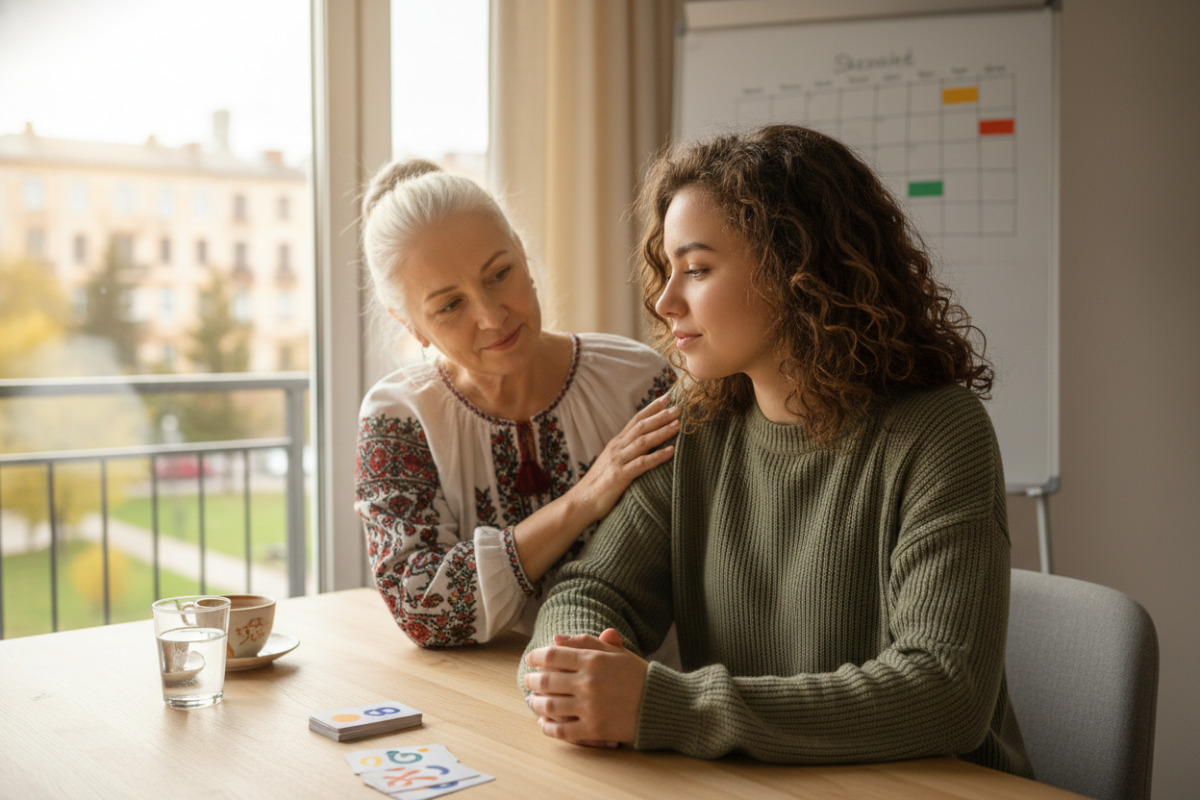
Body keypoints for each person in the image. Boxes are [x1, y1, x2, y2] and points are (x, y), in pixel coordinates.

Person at [519, 124, 1034, 777]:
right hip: (764, 781)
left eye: (697, 269)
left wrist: (669, 706)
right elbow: (592, 587)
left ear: (797, 270)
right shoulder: (693, 419)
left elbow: (945, 691)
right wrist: (571, 670)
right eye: (668, 269)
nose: (665, 299)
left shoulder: (939, 433)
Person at [355, 159, 679, 648]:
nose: (491, 316)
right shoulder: (398, 420)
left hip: (640, 677)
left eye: (499, 274)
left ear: (524, 259)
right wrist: (583, 501)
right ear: (411, 325)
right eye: (450, 305)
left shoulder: (638, 381)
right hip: (470, 689)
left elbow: (689, 560)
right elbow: (422, 609)